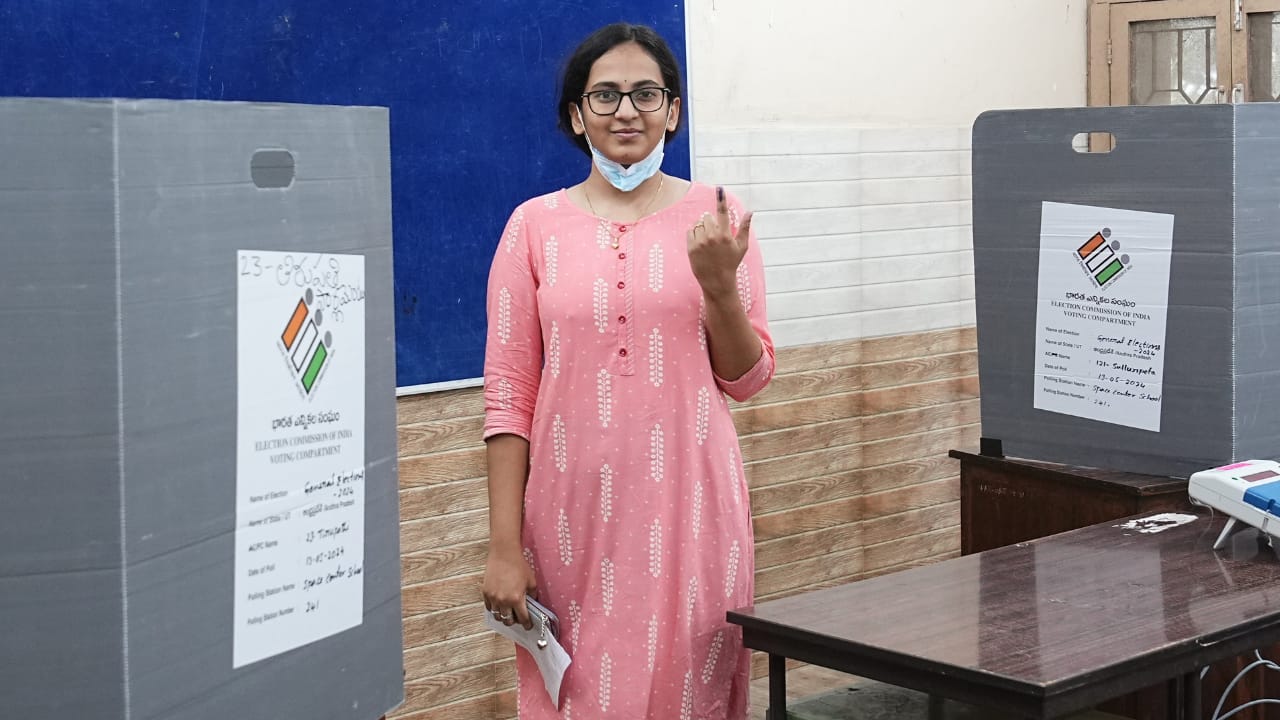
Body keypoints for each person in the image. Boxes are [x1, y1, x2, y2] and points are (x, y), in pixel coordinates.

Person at [480, 22, 775, 719]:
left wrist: (719, 286)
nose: (626, 111)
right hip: (568, 523)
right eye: (605, 95)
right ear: (576, 116)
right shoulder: (533, 227)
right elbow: (508, 395)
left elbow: (748, 377)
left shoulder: (718, 218)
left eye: (646, 93)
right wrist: (501, 546)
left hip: (692, 514)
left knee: (691, 692)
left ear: (673, 109)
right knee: (580, 698)